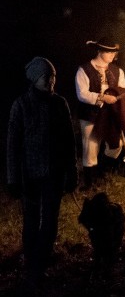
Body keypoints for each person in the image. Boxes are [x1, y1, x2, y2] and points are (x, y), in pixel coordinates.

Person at [6, 57, 78, 284]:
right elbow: (13, 145)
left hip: (53, 174)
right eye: (46, 77)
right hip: (30, 175)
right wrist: (13, 179)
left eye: (53, 77)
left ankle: (42, 260)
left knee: (50, 219)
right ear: (35, 78)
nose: (51, 81)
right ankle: (32, 265)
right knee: (30, 219)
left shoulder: (59, 104)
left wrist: (71, 171)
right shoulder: (21, 105)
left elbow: (69, 141)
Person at [75, 37, 125, 188]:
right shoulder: (84, 69)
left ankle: (102, 170)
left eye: (114, 52)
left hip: (110, 115)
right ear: (99, 51)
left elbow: (123, 89)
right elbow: (82, 94)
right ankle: (89, 183)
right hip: (91, 115)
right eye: (109, 52)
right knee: (91, 148)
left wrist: (120, 96)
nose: (113, 55)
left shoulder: (117, 71)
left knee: (116, 145)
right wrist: (102, 97)